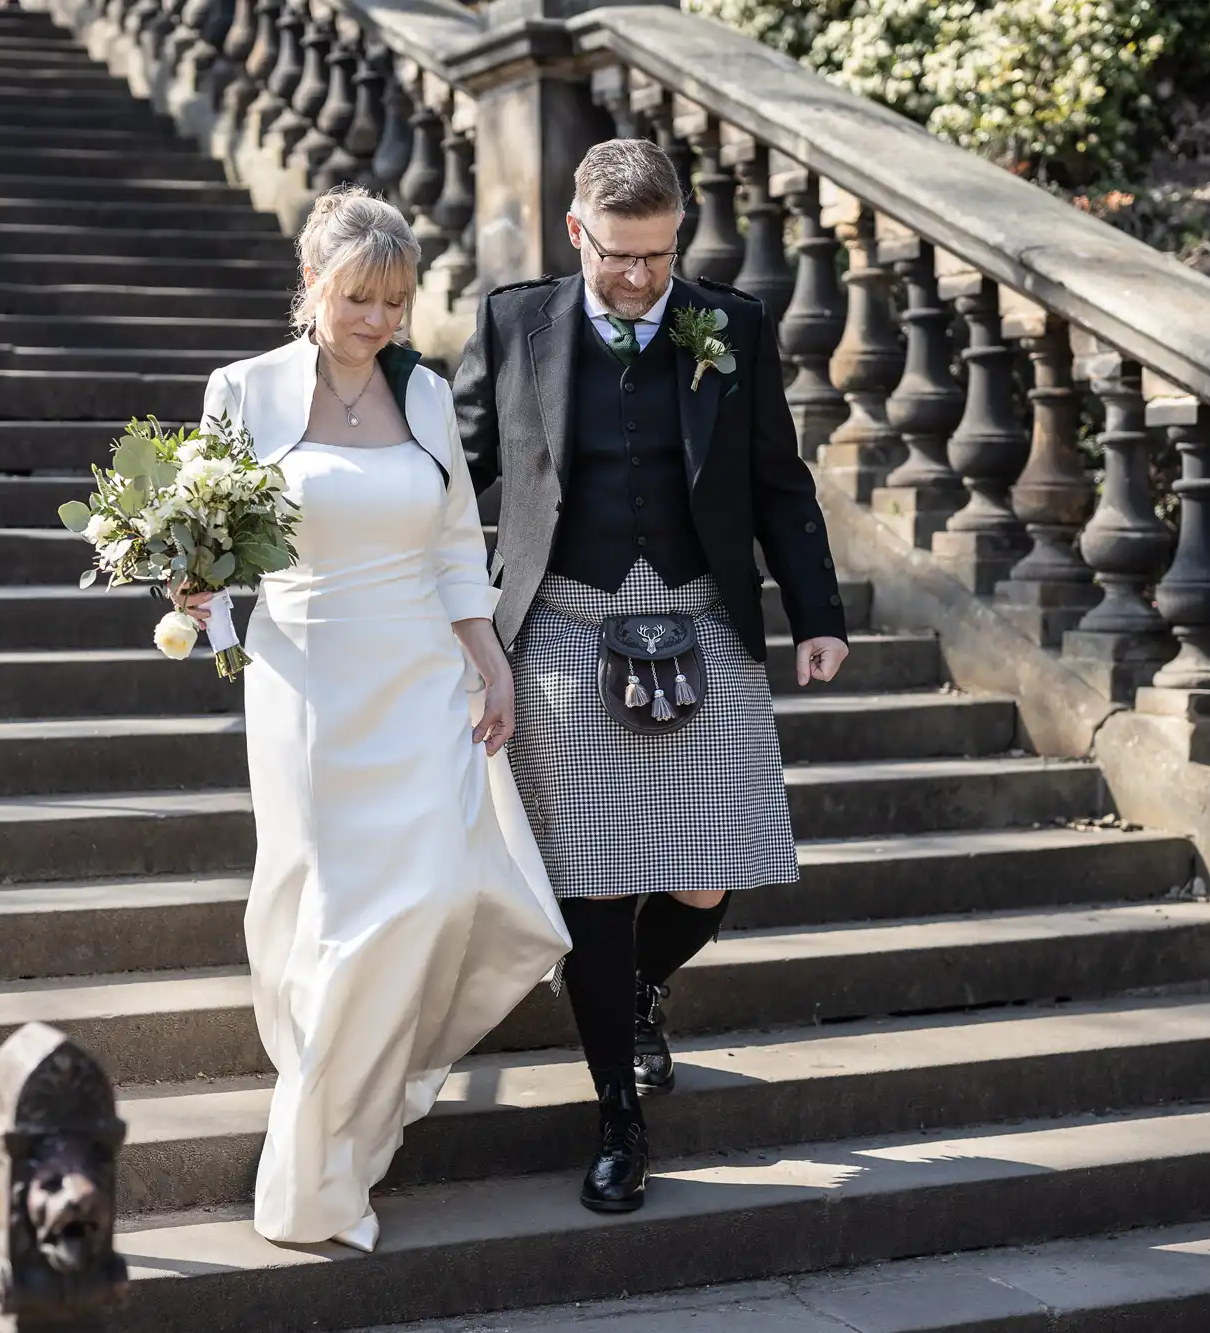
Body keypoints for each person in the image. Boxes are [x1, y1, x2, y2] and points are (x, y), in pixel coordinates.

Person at [452, 138, 850, 1213]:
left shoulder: (731, 323)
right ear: (575, 232)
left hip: (694, 608)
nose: (640, 278)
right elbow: (452, 470)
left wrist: (817, 612)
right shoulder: (513, 322)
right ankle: (617, 1117)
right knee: (591, 886)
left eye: (659, 256)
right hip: (563, 622)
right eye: (619, 255)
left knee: (706, 876)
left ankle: (634, 989)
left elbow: (777, 481)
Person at [193, 187, 570, 1253]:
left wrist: (487, 660)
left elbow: (455, 537)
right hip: (307, 671)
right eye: (357, 297)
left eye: (394, 303)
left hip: (419, 669)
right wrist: (200, 600)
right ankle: (318, 1153)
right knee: (329, 909)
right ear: (309, 286)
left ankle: (352, 1105)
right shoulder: (242, 388)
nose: (376, 321)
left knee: (442, 891)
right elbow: (207, 537)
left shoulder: (422, 390)